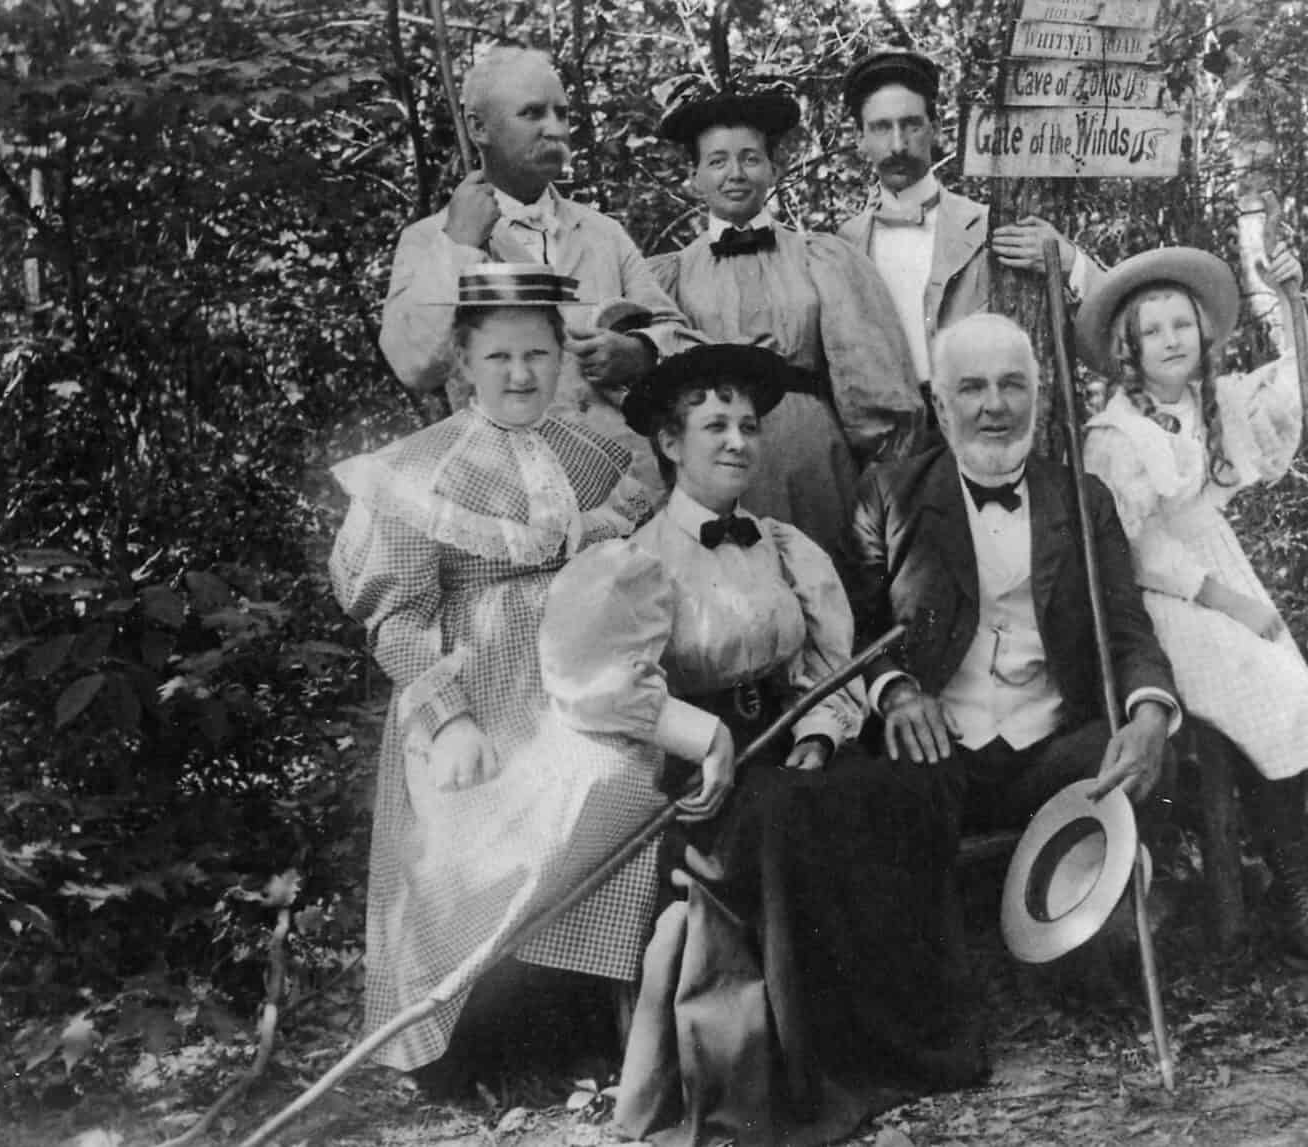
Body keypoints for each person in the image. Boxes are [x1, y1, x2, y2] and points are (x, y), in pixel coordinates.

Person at [538, 342, 984, 1146]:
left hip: (788, 739)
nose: (739, 441)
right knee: (776, 816)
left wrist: (817, 735)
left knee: (900, 787)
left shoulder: (782, 546)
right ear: (670, 443)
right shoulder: (637, 560)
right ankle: (795, 1072)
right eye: (715, 426)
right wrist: (700, 732)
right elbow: (594, 683)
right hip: (696, 771)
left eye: (748, 425)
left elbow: (823, 669)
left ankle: (892, 1044)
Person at [329, 265, 661, 1090]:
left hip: (574, 688)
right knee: (475, 838)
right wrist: (448, 719)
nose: (520, 374)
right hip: (473, 691)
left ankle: (576, 1028)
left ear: (563, 358)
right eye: (500, 357)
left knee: (614, 787)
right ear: (463, 363)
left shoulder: (595, 456)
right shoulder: (422, 470)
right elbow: (397, 616)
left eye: (538, 354)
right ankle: (474, 1047)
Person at [1076, 246, 1308, 974]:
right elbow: (1137, 549)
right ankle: (1294, 897)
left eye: (1182, 324)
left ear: (1202, 332)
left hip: (1219, 566)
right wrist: (1231, 604)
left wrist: (1289, 304)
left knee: (1289, 689)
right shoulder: (1116, 434)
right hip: (1162, 598)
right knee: (1263, 682)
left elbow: (1293, 391)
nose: (1171, 340)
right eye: (1152, 330)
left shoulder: (1214, 401)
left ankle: (1291, 889)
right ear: (1129, 347)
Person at [846, 312, 1181, 869]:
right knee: (889, 782)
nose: (995, 406)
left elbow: (1127, 626)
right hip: (939, 754)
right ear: (941, 407)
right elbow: (855, 630)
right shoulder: (886, 495)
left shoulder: (1084, 500)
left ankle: (1079, 910)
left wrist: (1149, 716)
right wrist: (898, 693)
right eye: (972, 388)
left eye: (1012, 385)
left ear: (1037, 398)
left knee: (1145, 758)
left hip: (1051, 751)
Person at [379, 46, 690, 490]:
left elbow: (680, 338)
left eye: (562, 113)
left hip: (629, 494)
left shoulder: (602, 233)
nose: (556, 129)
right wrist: (460, 245)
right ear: (478, 128)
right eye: (532, 113)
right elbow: (415, 366)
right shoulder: (431, 240)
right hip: (510, 500)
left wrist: (640, 352)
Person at [646, 76, 925, 561]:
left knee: (823, 582)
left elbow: (872, 383)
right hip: (713, 462)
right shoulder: (669, 276)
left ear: (774, 169)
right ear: (695, 178)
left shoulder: (822, 259)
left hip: (812, 462)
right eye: (718, 161)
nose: (736, 174)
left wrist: (881, 476)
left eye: (751, 158)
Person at [836, 49, 1103, 385]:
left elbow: (1118, 316)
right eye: (880, 128)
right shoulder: (843, 245)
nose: (898, 145)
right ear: (859, 138)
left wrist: (1067, 261)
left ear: (934, 128)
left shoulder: (989, 228)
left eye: (911, 125)